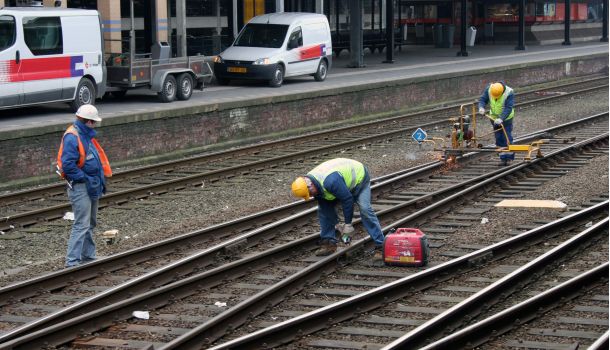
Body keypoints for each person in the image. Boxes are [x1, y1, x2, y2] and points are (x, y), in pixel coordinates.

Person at [291, 158, 384, 260]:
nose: (311, 196)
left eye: (310, 193)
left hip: (359, 179)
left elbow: (348, 200)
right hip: (341, 183)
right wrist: (337, 224)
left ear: (310, 185)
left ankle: (381, 246)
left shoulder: (330, 182)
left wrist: (348, 224)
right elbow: (326, 207)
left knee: (365, 209)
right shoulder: (311, 184)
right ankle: (329, 243)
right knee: (323, 212)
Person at [56, 105, 112, 267]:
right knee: (81, 224)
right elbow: (68, 166)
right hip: (81, 187)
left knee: (90, 223)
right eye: (93, 122)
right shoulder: (73, 136)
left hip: (91, 185)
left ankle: (88, 256)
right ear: (86, 121)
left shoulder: (85, 135)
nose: (94, 124)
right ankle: (72, 262)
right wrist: (85, 179)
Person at [478, 81, 515, 166]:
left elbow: (508, 108)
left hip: (506, 119)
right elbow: (483, 99)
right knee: (499, 138)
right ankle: (503, 159)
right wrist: (481, 107)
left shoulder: (509, 93)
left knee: (507, 138)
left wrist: (501, 118)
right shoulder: (490, 89)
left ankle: (509, 158)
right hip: (493, 119)